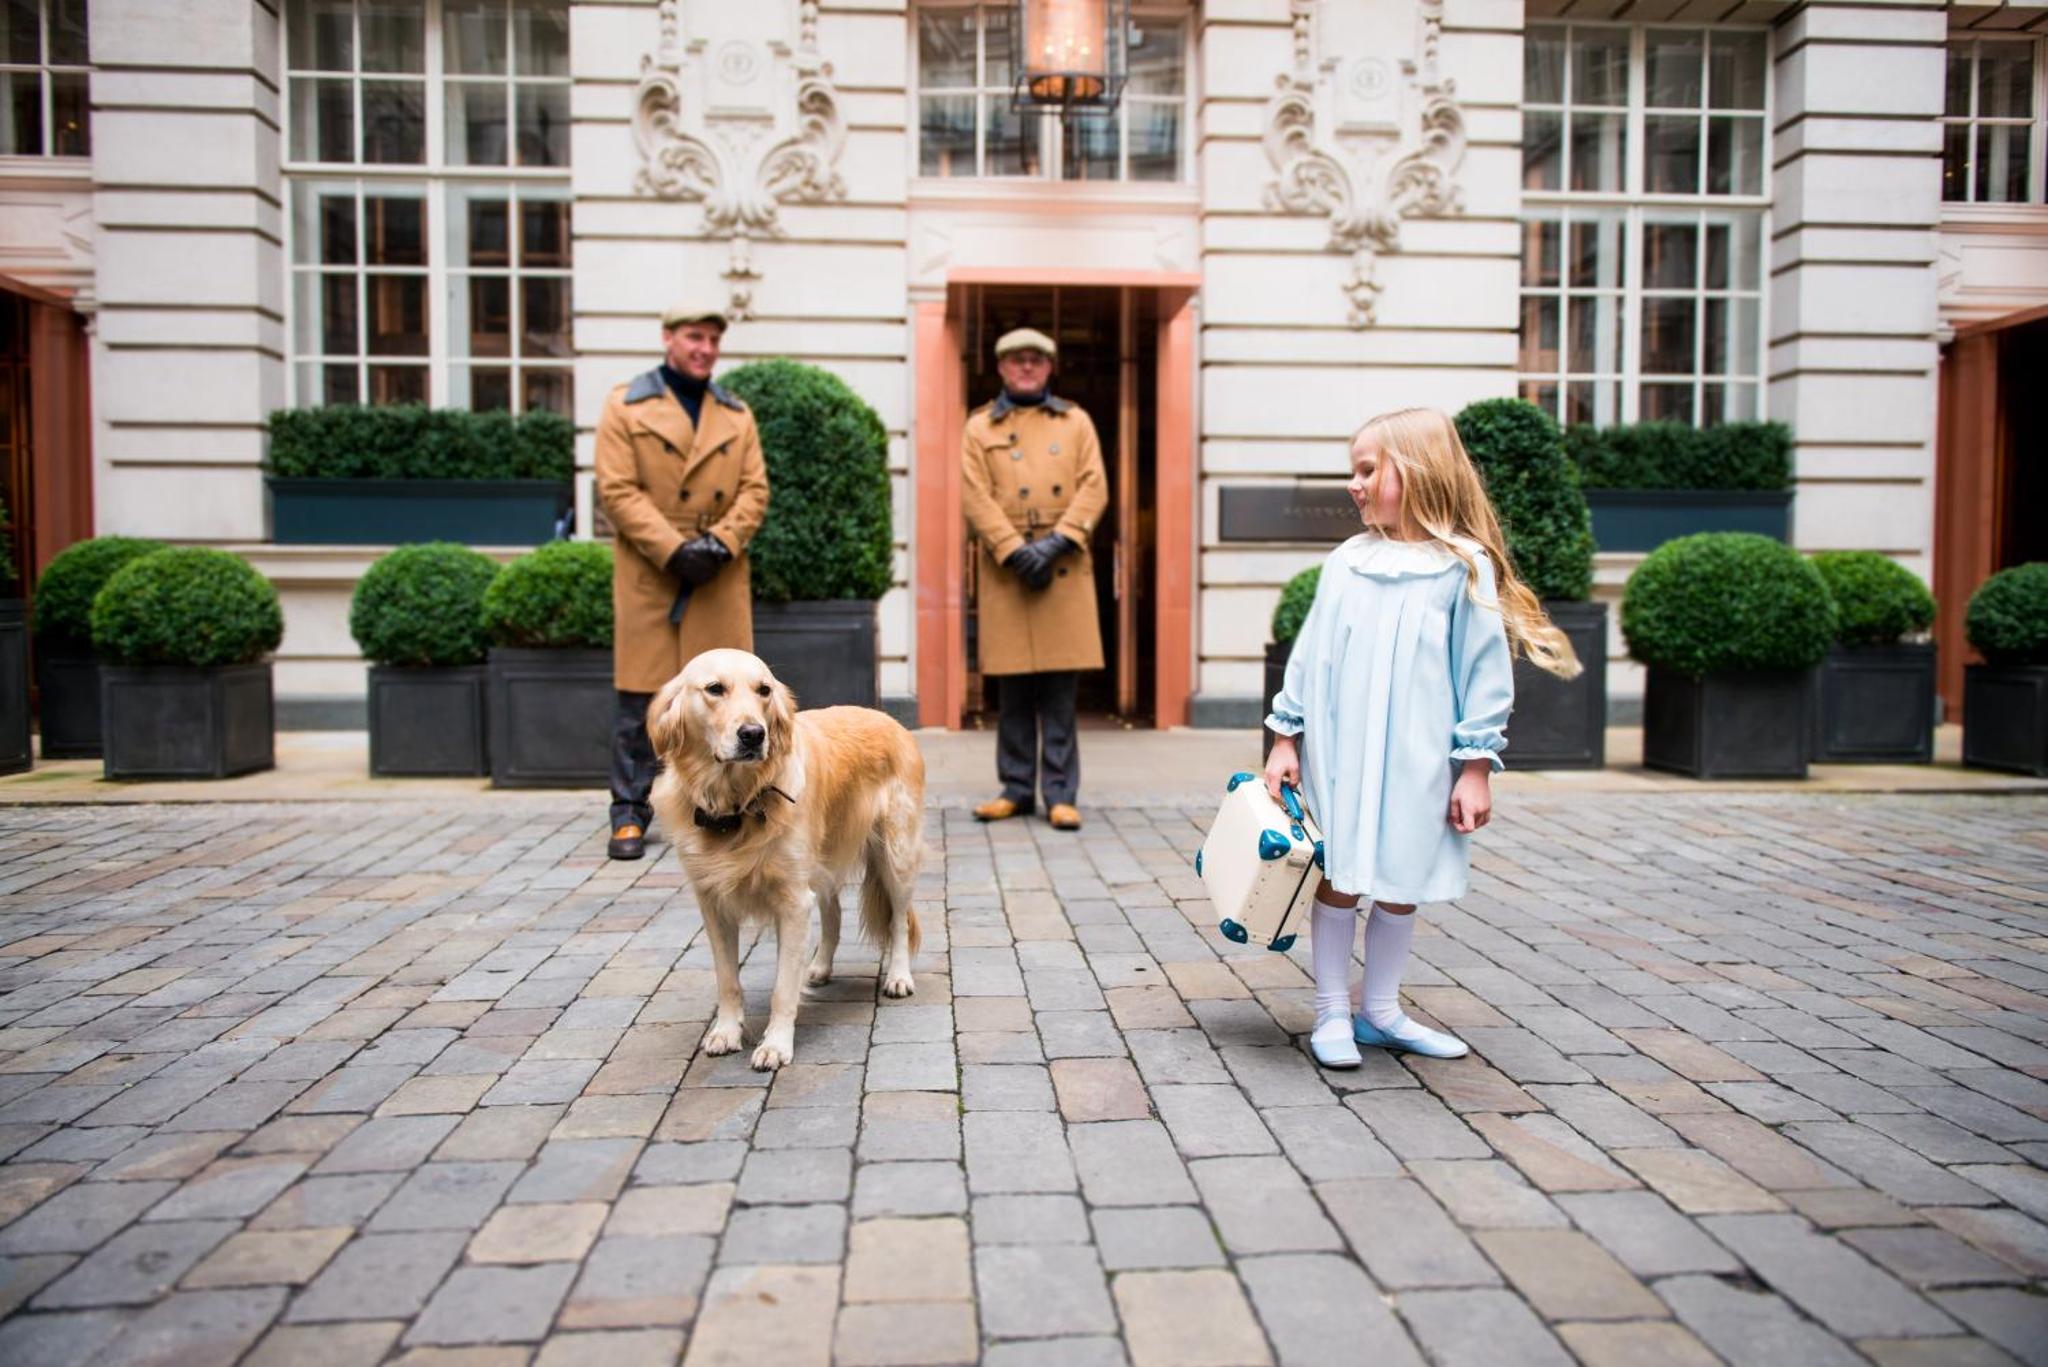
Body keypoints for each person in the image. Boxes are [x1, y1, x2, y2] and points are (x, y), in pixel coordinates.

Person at [1263, 407, 1580, 1068]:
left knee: (1402, 876)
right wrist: (1285, 735)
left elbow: (1484, 672)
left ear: (1418, 470)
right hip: (1343, 751)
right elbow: (1310, 652)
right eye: (1353, 469)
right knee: (1341, 874)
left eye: (1368, 468)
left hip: (1418, 756)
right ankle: (1330, 1012)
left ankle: (1379, 1010)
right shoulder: (1348, 560)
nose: (1353, 483)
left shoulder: (1461, 568)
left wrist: (1475, 767)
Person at [593, 301, 769, 860]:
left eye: (713, 340)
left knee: (727, 700)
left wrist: (720, 542)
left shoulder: (735, 414)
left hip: (717, 571)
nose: (705, 349)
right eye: (695, 337)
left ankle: (722, 805)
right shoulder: (626, 404)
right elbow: (617, 490)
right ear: (669, 337)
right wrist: (674, 550)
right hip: (655, 571)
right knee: (640, 697)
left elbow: (755, 490)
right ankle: (629, 811)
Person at [960, 327, 1109, 831]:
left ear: (1049, 368)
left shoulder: (1076, 421)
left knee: (1060, 693)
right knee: (1014, 692)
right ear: (1001, 367)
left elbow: (1094, 488)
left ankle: (1061, 794)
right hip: (1009, 570)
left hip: (1062, 564)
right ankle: (1017, 788)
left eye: (1036, 360)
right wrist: (1012, 549)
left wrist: (1057, 541)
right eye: (1017, 360)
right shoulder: (979, 427)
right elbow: (973, 495)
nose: (1026, 367)